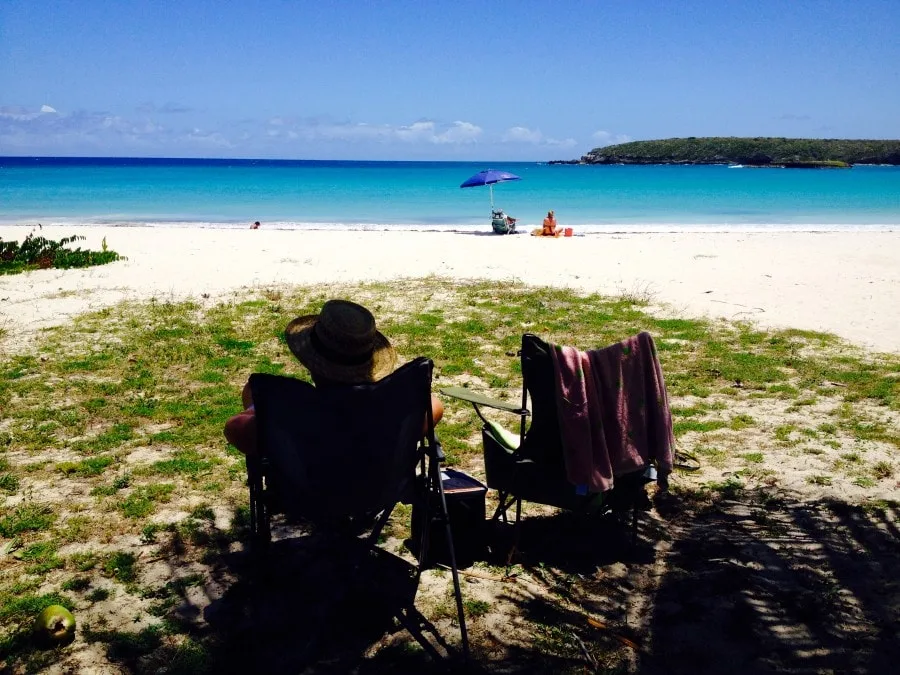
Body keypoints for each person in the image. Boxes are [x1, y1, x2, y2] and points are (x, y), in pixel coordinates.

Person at [224, 299, 444, 455]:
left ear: (312, 362)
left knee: (252, 392)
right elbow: (435, 406)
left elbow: (235, 428)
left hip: (305, 494)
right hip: (375, 490)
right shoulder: (384, 409)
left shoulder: (294, 410)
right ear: (369, 362)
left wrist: (256, 414)